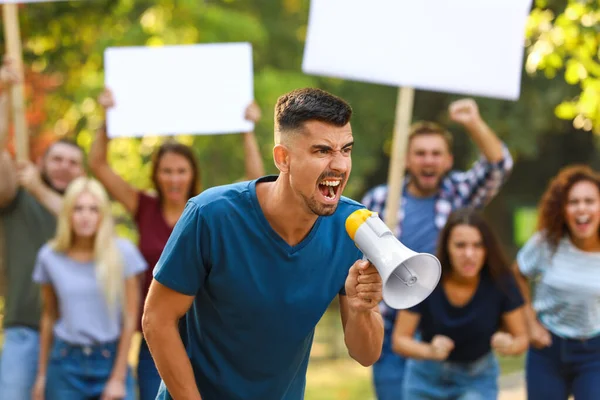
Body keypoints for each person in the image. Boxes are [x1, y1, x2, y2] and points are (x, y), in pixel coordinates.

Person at [142, 88, 384, 399]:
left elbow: (366, 355)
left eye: (346, 149)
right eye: (322, 151)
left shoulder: (352, 226)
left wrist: (363, 308)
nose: (339, 165)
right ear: (283, 158)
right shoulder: (210, 215)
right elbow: (157, 319)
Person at [89, 88, 266, 399]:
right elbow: (99, 165)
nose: (174, 179)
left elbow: (255, 181)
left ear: (192, 174)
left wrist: (247, 130)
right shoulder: (143, 207)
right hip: (155, 332)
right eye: (167, 171)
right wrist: (106, 118)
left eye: (181, 171)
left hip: (204, 333)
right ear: (156, 174)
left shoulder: (207, 210)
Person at [360, 99, 514, 399]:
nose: (428, 161)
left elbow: (499, 166)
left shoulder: (460, 193)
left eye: (435, 154)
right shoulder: (379, 201)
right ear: (405, 159)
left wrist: (472, 122)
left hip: (441, 329)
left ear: (447, 160)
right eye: (420, 154)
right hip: (391, 326)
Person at [0, 56, 86, 400]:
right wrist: (4, 93)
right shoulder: (17, 198)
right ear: (39, 163)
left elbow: (73, 216)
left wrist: (39, 187)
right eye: (57, 160)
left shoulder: (87, 206)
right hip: (25, 331)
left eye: (73, 163)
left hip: (78, 340)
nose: (64, 167)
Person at [31, 177, 147, 400]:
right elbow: (49, 316)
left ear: (103, 215)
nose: (86, 216)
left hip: (110, 359)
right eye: (78, 209)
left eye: (94, 209)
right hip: (65, 363)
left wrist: (118, 378)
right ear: (67, 214)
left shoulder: (124, 253)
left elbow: (131, 317)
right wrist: (42, 375)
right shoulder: (50, 256)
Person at [392, 208, 528, 399]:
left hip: (476, 378)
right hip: (425, 377)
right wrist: (430, 351)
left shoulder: (501, 281)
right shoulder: (425, 277)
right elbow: (399, 340)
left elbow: (522, 338)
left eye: (478, 245)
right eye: (460, 245)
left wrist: (510, 345)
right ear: (447, 246)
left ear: (487, 248)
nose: (469, 254)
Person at [514, 165, 600, 400]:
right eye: (573, 202)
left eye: (589, 201)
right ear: (562, 209)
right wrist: (530, 323)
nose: (582, 208)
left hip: (594, 352)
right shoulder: (547, 243)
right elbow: (516, 273)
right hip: (548, 349)